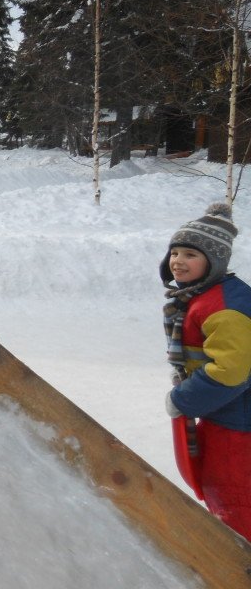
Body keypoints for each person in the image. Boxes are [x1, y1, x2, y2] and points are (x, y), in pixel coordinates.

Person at [161, 202, 251, 540]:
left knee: (236, 499)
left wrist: (184, 399)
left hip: (240, 426)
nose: (179, 261)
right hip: (225, 416)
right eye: (175, 252)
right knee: (222, 490)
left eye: (190, 255)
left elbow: (232, 370)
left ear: (214, 261)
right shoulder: (206, 296)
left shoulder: (225, 306)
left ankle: (237, 565)